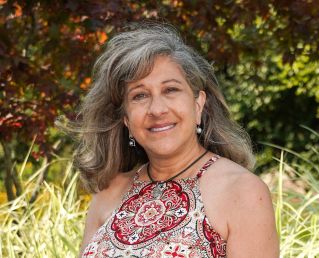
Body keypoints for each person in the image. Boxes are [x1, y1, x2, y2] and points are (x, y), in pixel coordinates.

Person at [76, 23, 279, 257]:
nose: (157, 109)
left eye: (170, 90)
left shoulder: (243, 192)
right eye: (140, 95)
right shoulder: (109, 192)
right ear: (126, 120)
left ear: (198, 103)